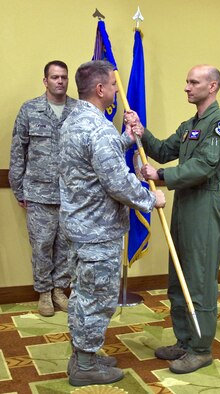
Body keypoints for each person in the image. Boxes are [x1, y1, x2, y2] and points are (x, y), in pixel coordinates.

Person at [58, 60, 166, 387]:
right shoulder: (97, 128)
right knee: (97, 298)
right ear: (101, 89)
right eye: (113, 85)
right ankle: (86, 365)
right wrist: (151, 200)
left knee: (83, 295)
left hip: (79, 227)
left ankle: (83, 355)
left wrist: (127, 138)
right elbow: (116, 182)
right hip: (98, 231)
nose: (117, 90)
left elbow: (96, 161)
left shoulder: (74, 121)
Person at [128, 64, 220, 374]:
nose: (187, 87)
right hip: (184, 206)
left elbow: (204, 165)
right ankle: (184, 340)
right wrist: (141, 131)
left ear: (213, 86)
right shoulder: (190, 125)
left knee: (199, 279)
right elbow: (163, 150)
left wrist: (160, 175)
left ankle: (201, 348)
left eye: (193, 82)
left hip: (204, 205)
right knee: (179, 277)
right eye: (186, 81)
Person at [9, 60, 77, 317]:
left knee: (67, 246)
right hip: (38, 193)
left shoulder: (78, 110)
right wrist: (18, 188)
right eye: (55, 77)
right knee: (41, 245)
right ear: (45, 81)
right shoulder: (30, 110)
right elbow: (18, 151)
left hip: (71, 193)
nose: (60, 81)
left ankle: (60, 290)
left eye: (63, 77)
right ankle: (44, 293)